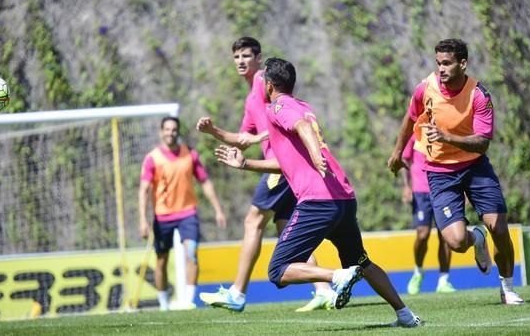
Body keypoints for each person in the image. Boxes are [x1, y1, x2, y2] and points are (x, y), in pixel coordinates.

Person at [214, 57, 421, 327]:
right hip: (342, 198)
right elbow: (285, 161)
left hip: (317, 201)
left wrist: (314, 153)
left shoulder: (277, 106)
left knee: (278, 271)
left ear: (269, 84)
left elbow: (301, 128)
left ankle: (337, 277)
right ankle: (405, 316)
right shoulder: (303, 105)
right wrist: (246, 164)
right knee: (361, 261)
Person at [197, 37, 336, 312]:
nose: (241, 61)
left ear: (259, 59)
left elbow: (286, 113)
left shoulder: (264, 81)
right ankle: (324, 290)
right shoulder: (251, 98)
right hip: (282, 167)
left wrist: (261, 136)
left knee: (252, 221)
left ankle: (237, 293)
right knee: (285, 227)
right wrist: (214, 131)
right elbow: (242, 138)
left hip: (279, 165)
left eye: (246, 56)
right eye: (236, 56)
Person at [387, 38, 524, 305]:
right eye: (438, 63)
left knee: (499, 227)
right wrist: (396, 153)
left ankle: (507, 287)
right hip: (440, 173)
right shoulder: (425, 89)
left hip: (475, 167)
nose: (441, 69)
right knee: (457, 242)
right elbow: (410, 117)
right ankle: (477, 237)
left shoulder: (479, 95)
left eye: (447, 63)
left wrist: (446, 137)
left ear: (463, 63)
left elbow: (483, 143)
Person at [138, 117, 227, 311]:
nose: (170, 133)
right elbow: (144, 189)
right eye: (167, 129)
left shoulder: (190, 155)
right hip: (162, 216)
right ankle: (163, 304)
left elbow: (205, 182)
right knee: (161, 260)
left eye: (174, 129)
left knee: (191, 253)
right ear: (161, 132)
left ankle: (188, 301)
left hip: (188, 213)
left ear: (178, 132)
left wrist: (218, 210)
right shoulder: (152, 158)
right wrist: (143, 220)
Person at [401, 135, 455, 294]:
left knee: (445, 235)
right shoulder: (414, 131)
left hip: (442, 189)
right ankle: (418, 271)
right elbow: (405, 159)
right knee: (422, 234)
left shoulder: (444, 129)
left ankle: (443, 280)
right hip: (420, 191)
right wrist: (406, 186)